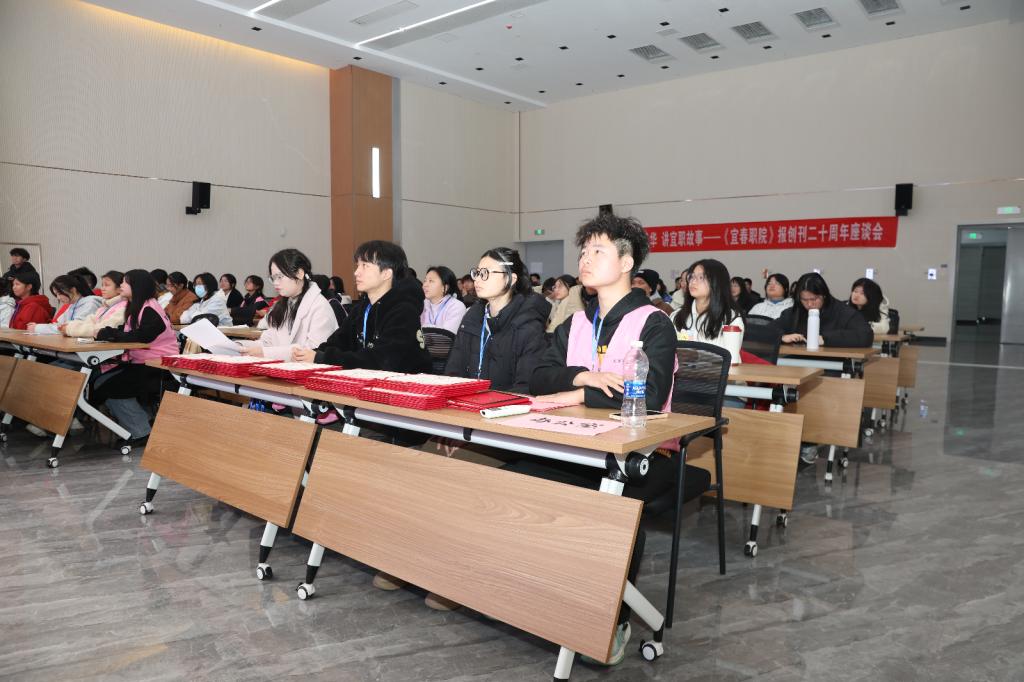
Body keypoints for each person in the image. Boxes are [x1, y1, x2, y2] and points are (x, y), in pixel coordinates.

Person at [528, 213, 678, 666]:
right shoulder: (577, 322)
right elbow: (538, 376)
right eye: (583, 251)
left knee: (611, 507)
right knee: (516, 480)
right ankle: (537, 596)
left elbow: (649, 394)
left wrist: (574, 392)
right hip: (575, 443)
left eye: (598, 250)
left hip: (637, 452)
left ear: (627, 262)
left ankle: (611, 619)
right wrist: (584, 377)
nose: (585, 259)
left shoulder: (654, 323)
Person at [293, 240, 431, 374]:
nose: (356, 272)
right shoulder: (363, 308)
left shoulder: (404, 311)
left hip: (409, 385)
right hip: (373, 382)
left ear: (386, 274)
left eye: (365, 265)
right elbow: (338, 341)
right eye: (358, 265)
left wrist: (323, 358)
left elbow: (381, 361)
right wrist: (312, 354)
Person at [91, 269, 179, 446]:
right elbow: (128, 331)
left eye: (125, 282)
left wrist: (108, 334)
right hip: (142, 362)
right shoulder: (137, 306)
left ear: (137, 286)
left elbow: (141, 336)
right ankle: (145, 422)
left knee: (110, 386)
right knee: (99, 381)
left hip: (158, 366)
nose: (121, 285)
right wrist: (108, 332)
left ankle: (141, 432)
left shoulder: (150, 308)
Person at [444, 247, 550, 393]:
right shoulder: (472, 317)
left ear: (510, 279)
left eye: (485, 273)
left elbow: (526, 387)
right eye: (477, 273)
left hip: (508, 405)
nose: (477, 279)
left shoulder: (528, 324)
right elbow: (453, 371)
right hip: (468, 403)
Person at [238, 251, 338, 361]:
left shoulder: (320, 307)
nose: (275, 283)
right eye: (273, 278)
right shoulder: (281, 305)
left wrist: (264, 353)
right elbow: (267, 342)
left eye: (279, 277)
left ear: (299, 273)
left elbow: (313, 351)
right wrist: (240, 346)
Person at [776, 272, 873, 348]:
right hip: (795, 361)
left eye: (814, 299)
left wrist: (825, 339)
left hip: (834, 363)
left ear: (824, 295)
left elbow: (866, 335)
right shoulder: (794, 312)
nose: (809, 304)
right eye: (804, 300)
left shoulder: (843, 312)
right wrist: (782, 337)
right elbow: (769, 329)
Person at [672, 259, 745, 352]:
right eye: (691, 277)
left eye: (701, 277)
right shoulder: (677, 315)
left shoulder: (731, 319)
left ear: (717, 282)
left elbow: (731, 358)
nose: (693, 282)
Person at [28, 275, 102, 334]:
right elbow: (59, 325)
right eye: (56, 294)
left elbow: (69, 328)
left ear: (73, 290)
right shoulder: (73, 306)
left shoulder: (90, 303)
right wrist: (38, 327)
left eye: (60, 293)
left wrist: (38, 328)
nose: (58, 297)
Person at [64, 271, 127, 337]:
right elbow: (89, 321)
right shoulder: (105, 306)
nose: (102, 288)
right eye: (102, 285)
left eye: (107, 285)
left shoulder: (124, 307)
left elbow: (102, 329)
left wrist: (70, 329)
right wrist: (69, 326)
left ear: (119, 289)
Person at [420, 265, 467, 334]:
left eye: (431, 281)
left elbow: (446, 336)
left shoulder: (456, 306)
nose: (425, 285)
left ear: (445, 287)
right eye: (425, 281)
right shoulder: (422, 304)